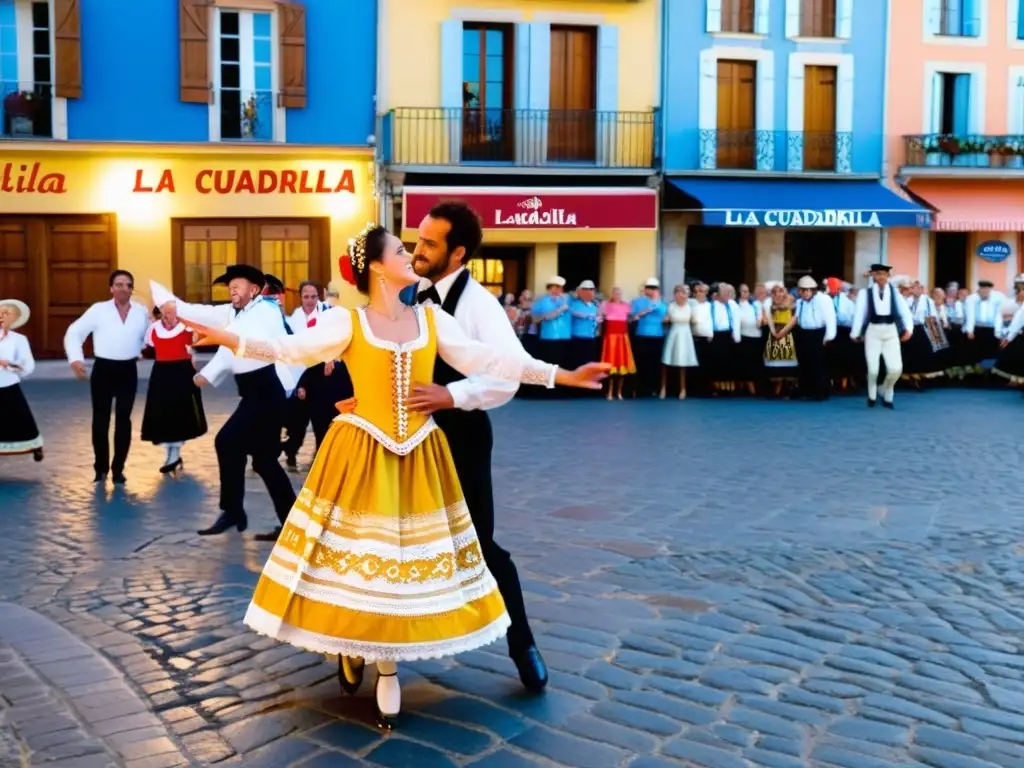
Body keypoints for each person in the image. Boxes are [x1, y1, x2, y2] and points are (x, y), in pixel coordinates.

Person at [167, 224, 607, 729]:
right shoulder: (348, 322)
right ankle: (355, 645)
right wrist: (225, 334)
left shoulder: (433, 317)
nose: (410, 254)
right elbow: (289, 350)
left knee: (416, 559)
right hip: (362, 451)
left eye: (414, 247)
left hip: (422, 454)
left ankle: (433, 652)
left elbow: (493, 359)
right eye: (401, 249)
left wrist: (562, 375)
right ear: (377, 266)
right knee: (358, 557)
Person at [406, 203, 551, 693]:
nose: (417, 249)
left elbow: (508, 373)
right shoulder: (405, 292)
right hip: (405, 436)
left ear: (457, 252)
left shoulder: (480, 306)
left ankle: (522, 644)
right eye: (417, 239)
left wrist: (452, 395)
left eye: (428, 243)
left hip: (462, 435)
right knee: (392, 540)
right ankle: (373, 649)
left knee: (480, 544)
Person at [154, 265, 297, 541]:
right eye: (229, 286)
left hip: (269, 389)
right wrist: (173, 305)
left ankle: (233, 512)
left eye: (238, 286)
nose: (232, 290)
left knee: (228, 442)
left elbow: (237, 341)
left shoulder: (265, 311)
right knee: (264, 461)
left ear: (254, 290)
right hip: (254, 393)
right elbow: (207, 316)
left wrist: (208, 373)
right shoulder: (233, 314)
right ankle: (286, 524)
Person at [64, 270, 150, 483]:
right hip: (103, 369)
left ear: (132, 289)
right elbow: (74, 333)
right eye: (119, 284)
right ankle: (100, 468)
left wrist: (140, 349)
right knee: (100, 419)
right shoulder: (98, 310)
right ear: (111, 288)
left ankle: (118, 468)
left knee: (124, 419)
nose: (124, 288)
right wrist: (76, 359)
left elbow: (147, 337)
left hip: (128, 370)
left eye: (128, 285)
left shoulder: (141, 312)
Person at [140, 303, 207, 474]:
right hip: (161, 374)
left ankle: (175, 454)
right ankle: (170, 454)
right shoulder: (153, 329)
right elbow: (150, 347)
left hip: (182, 373)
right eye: (165, 312)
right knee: (163, 412)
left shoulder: (187, 329)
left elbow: (193, 347)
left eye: (172, 313)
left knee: (179, 413)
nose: (167, 316)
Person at [850, 264, 913, 409]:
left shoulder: (895, 293)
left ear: (888, 276)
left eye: (884, 274)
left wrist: (908, 329)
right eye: (878, 274)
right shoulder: (865, 293)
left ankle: (885, 389)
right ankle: (872, 395)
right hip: (873, 331)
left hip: (891, 331)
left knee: (896, 369)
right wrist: (855, 332)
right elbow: (859, 314)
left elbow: (905, 312)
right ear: (873, 276)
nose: (881, 277)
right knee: (873, 369)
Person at [779, 275, 837, 401]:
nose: (804, 293)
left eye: (806, 290)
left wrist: (829, 336)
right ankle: (806, 390)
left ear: (813, 290)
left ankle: (820, 392)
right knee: (805, 363)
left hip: (818, 333)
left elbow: (830, 318)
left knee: (818, 364)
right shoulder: (800, 302)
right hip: (804, 333)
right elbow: (797, 317)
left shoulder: (824, 300)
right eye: (802, 291)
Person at [0, 299, 43, 461]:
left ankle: (34, 446)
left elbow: (27, 365)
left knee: (20, 419)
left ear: (14, 319)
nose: (2, 316)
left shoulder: (19, 339)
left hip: (8, 384)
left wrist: (8, 364)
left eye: (7, 313)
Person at [630, 278, 668, 397]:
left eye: (654, 288)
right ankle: (639, 389)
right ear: (645, 289)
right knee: (641, 363)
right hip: (642, 335)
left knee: (655, 363)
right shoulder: (637, 302)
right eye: (649, 288)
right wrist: (645, 311)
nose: (651, 291)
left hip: (657, 336)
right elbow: (632, 318)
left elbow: (666, 318)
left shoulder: (663, 304)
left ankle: (652, 388)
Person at [660, 285, 697, 399]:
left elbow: (693, 320)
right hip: (674, 334)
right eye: (680, 293)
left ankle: (683, 389)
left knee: (682, 363)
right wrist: (665, 320)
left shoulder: (690, 307)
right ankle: (663, 388)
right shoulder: (671, 306)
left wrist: (694, 321)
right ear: (675, 295)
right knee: (666, 362)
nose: (682, 295)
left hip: (685, 335)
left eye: (684, 293)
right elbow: (666, 320)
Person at [599, 287, 635, 401]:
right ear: (612, 294)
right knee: (610, 365)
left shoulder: (626, 306)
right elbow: (599, 318)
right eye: (615, 293)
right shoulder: (605, 305)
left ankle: (619, 392)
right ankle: (609, 391)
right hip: (610, 339)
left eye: (619, 293)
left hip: (622, 338)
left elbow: (631, 318)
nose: (617, 295)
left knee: (622, 365)